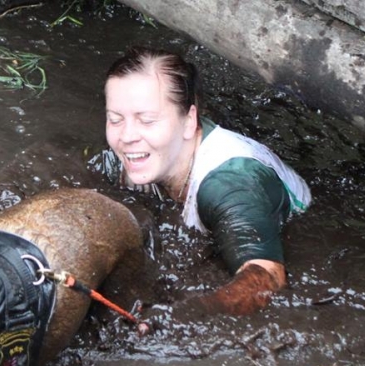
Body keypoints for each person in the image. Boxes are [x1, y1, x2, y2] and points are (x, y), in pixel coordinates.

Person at [101, 47, 311, 317]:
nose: (127, 137)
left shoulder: (227, 185)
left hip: (293, 224)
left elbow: (269, 277)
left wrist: (187, 315)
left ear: (189, 121)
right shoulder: (133, 151)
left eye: (147, 120)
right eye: (115, 119)